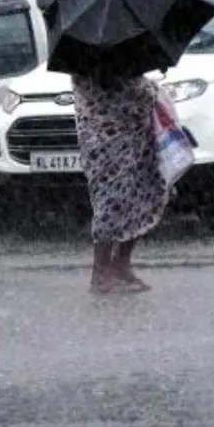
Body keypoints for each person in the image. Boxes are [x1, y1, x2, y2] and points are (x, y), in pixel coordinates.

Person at [72, 57, 167, 294]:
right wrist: (151, 89)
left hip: (135, 143)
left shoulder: (123, 59)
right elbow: (128, 98)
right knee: (111, 204)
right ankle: (101, 270)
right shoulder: (89, 67)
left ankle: (120, 264)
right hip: (108, 147)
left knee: (139, 199)